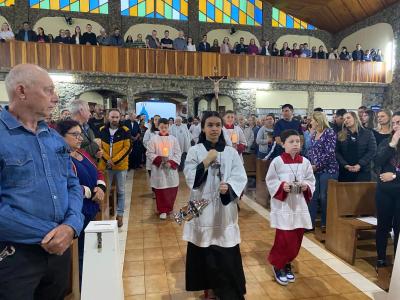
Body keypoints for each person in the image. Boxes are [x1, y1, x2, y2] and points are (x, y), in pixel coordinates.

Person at [0, 64, 84, 300]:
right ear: (21, 91)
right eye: (48, 90)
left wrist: (71, 225)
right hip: (16, 255)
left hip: (59, 252)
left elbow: (72, 184)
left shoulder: (53, 138)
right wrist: (49, 233)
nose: (56, 98)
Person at [183, 111, 247, 300]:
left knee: (225, 254)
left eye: (218, 125)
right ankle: (209, 289)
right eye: (210, 125)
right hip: (201, 210)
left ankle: (226, 291)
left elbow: (240, 176)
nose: (214, 129)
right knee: (204, 252)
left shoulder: (230, 152)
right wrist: (206, 160)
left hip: (223, 212)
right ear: (203, 128)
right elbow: (189, 178)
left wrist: (229, 188)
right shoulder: (195, 151)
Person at [56, 119, 106, 285]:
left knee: (90, 249)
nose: (80, 138)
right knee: (80, 253)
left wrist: (101, 188)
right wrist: (91, 191)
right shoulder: (61, 159)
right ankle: (82, 286)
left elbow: (97, 171)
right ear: (61, 137)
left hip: (92, 208)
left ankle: (91, 280)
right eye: (74, 135)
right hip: (78, 211)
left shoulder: (82, 153)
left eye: (80, 134)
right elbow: (65, 185)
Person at [266, 129, 315, 286]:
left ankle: (287, 262)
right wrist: (282, 186)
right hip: (284, 206)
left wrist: (305, 186)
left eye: (297, 141)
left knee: (297, 238)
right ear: (283, 143)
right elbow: (270, 181)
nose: (295, 144)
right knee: (284, 238)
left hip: (299, 205)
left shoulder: (305, 162)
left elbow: (310, 180)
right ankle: (277, 265)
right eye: (291, 142)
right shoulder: (277, 161)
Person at [374, 111, 400, 270]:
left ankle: (397, 260)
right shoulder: (386, 142)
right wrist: (392, 144)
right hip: (384, 191)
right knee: (382, 225)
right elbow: (377, 161)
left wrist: (396, 175)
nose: (396, 126)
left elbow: (394, 171)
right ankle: (381, 257)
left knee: (398, 227)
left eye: (399, 123)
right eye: (395, 123)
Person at [98, 109, 131, 227]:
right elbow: (99, 147)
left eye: (117, 117)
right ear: (108, 117)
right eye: (112, 117)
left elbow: (127, 148)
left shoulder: (125, 130)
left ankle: (120, 215)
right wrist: (108, 160)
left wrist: (114, 160)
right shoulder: (102, 130)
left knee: (121, 191)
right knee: (104, 190)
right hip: (106, 165)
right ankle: (104, 214)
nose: (114, 119)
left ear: (120, 117)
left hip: (121, 166)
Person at [307, 112, 338, 229]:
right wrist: (309, 165)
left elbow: (329, 153)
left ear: (318, 120)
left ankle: (326, 223)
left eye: (312, 120)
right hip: (315, 169)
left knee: (324, 197)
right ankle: (310, 223)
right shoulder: (314, 133)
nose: (310, 122)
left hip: (328, 169)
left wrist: (317, 165)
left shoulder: (329, 133)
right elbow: (311, 151)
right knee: (312, 195)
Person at [147, 118, 181, 219]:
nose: (164, 129)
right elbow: (149, 153)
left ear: (168, 127)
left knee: (171, 188)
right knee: (161, 189)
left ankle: (169, 208)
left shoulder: (173, 139)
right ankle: (162, 210)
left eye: (166, 127)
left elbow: (178, 153)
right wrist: (160, 160)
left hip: (171, 169)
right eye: (162, 127)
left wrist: (170, 163)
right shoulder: (153, 139)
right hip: (159, 169)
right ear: (158, 127)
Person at [336, 111, 377, 182]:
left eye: (348, 118)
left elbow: (372, 150)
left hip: (363, 171)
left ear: (355, 118)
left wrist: (360, 164)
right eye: (344, 119)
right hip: (345, 171)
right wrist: (345, 165)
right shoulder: (340, 134)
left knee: (362, 192)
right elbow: (336, 152)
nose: (346, 120)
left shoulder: (368, 133)